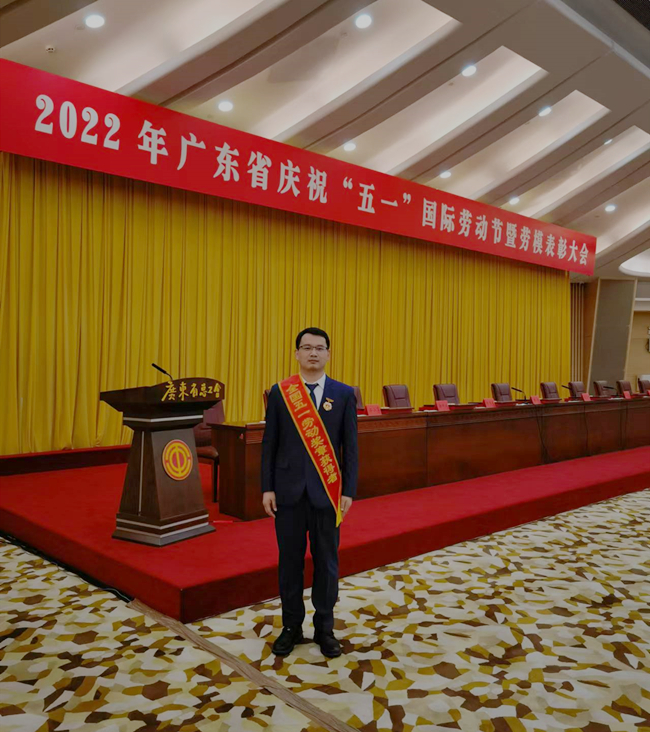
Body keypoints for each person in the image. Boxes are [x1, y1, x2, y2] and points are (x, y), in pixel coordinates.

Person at [261, 327, 358, 658]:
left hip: (327, 495)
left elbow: (350, 448)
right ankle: (291, 627)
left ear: (328, 353)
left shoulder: (343, 394)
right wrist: (267, 487)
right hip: (287, 494)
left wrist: (348, 490)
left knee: (327, 563)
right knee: (289, 563)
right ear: (297, 354)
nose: (313, 353)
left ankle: (324, 628)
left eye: (319, 348)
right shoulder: (281, 393)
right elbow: (269, 444)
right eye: (306, 347)